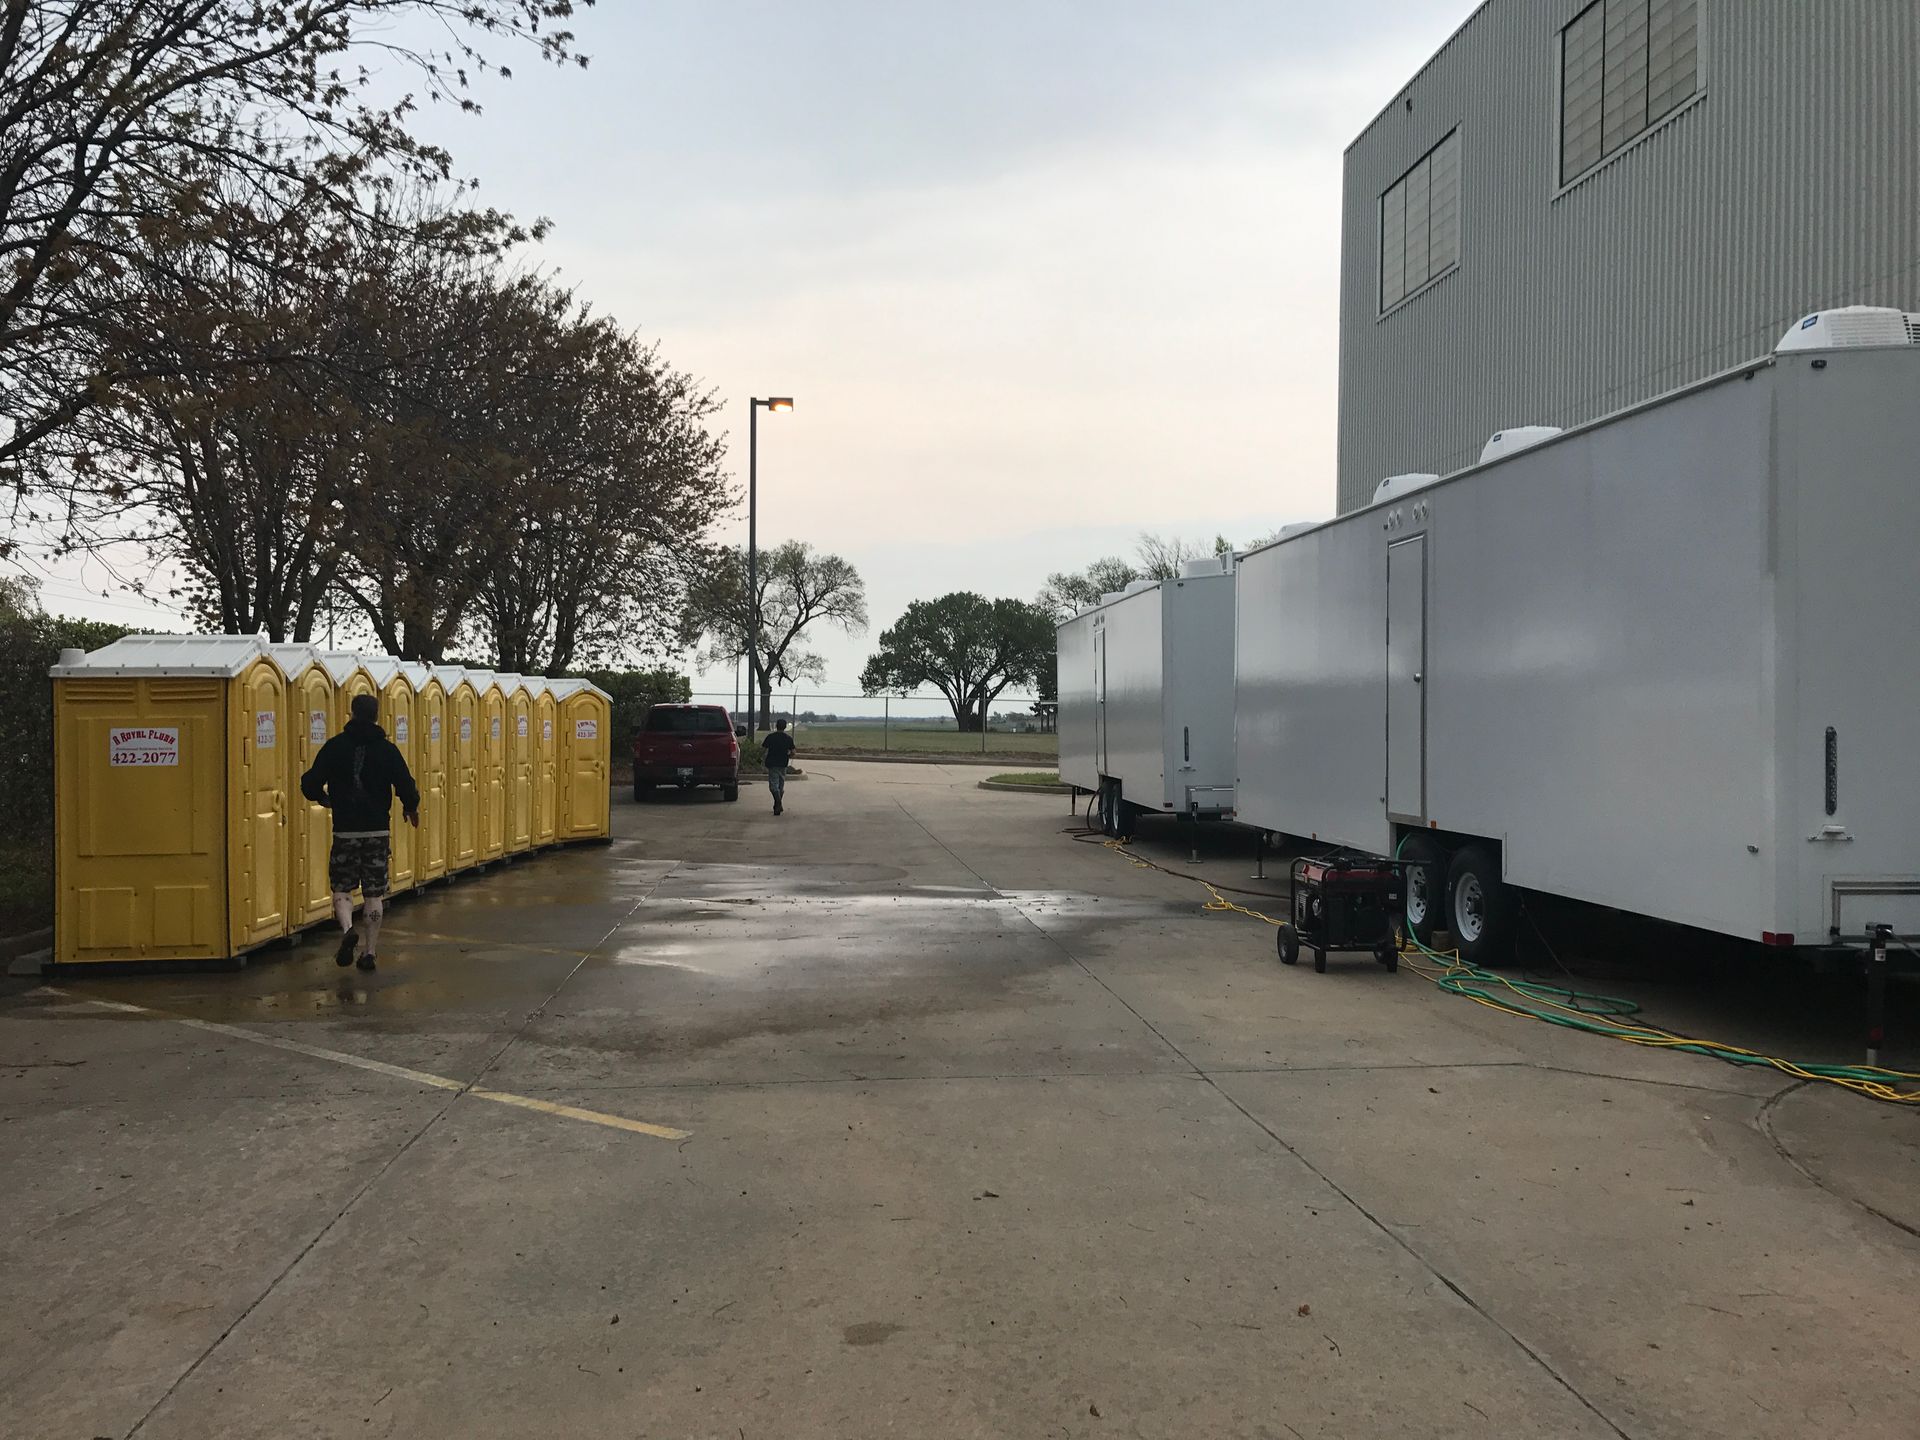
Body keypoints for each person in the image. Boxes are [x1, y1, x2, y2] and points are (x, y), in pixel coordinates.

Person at [301, 693, 420, 972]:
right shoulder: (387, 751)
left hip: (345, 831)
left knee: (342, 888)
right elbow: (406, 785)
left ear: (352, 713)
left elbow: (309, 783)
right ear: (377, 716)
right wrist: (410, 807)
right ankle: (369, 952)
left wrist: (323, 797)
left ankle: (346, 930)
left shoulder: (335, 747)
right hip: (377, 830)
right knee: (374, 892)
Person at [761, 717, 796, 815]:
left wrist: (762, 759)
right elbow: (793, 752)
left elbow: (763, 749)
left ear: (776, 726)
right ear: (785, 727)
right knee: (780, 785)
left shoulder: (770, 737)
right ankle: (778, 804)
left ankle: (778, 803)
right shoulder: (788, 739)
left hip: (772, 764)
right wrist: (788, 755)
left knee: (773, 786)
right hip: (783, 763)